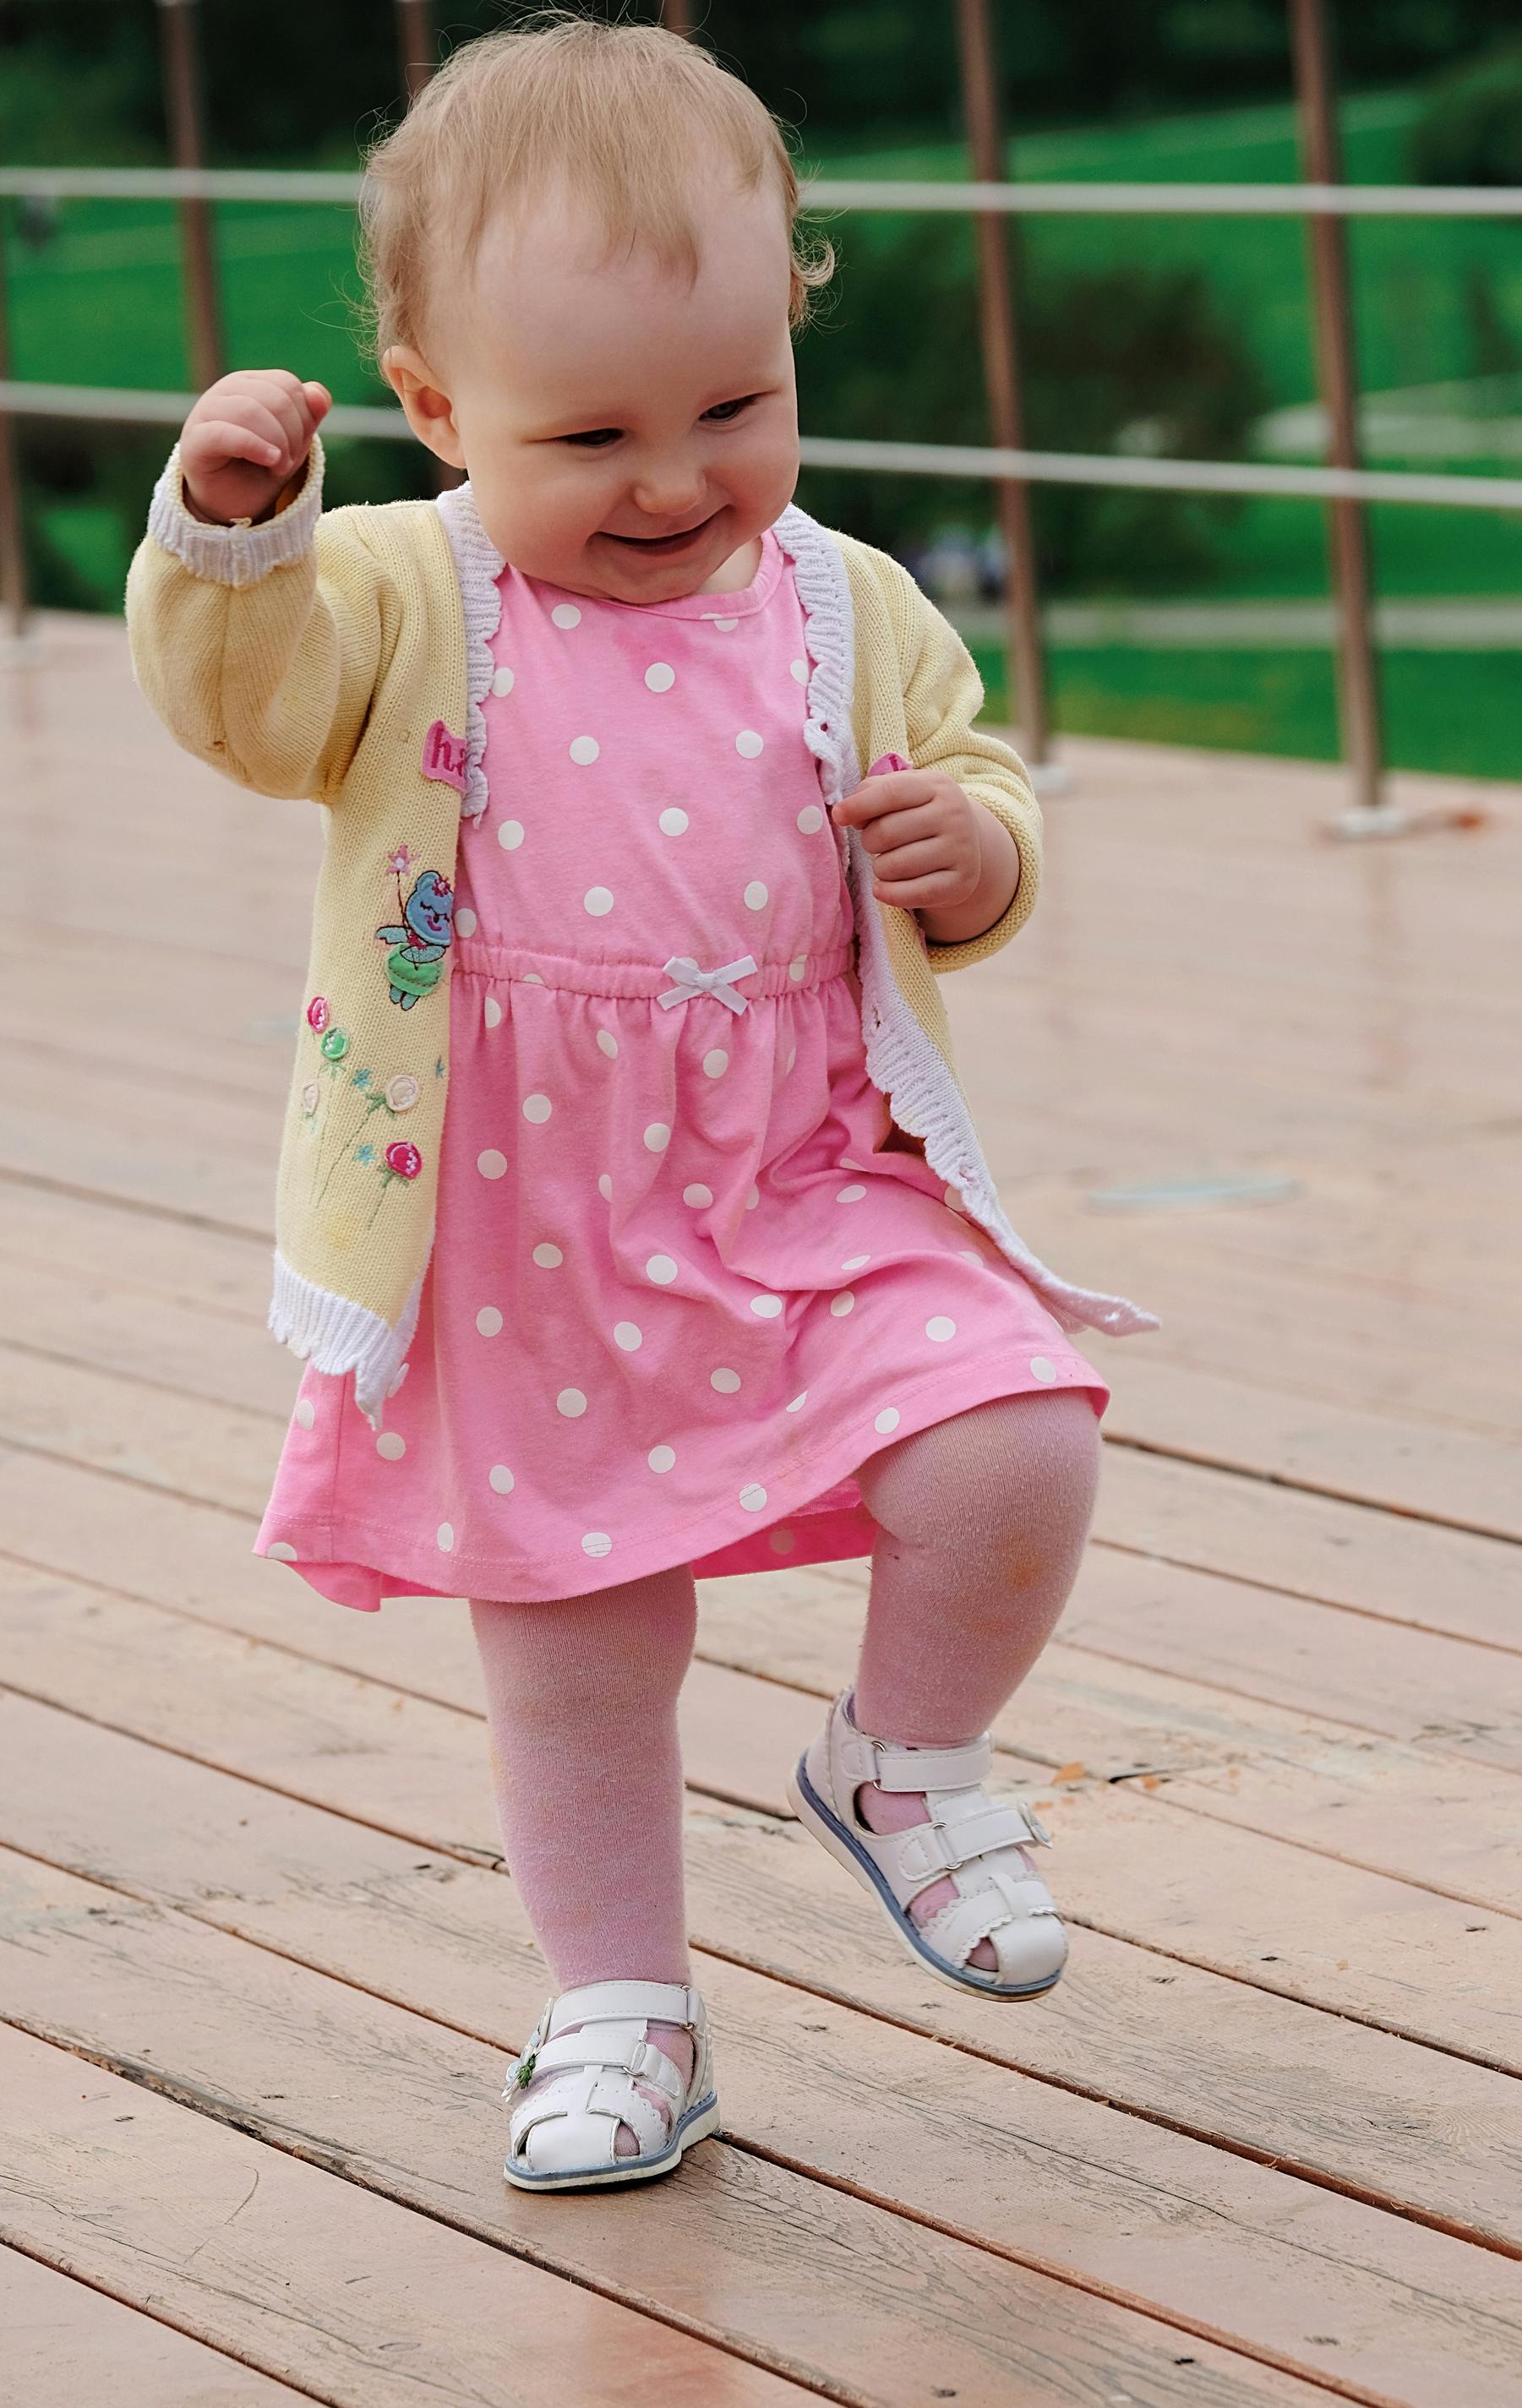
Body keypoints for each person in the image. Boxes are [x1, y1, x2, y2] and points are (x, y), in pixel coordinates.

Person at [126, 14, 1153, 2195]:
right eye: (590, 435)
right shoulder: (399, 591)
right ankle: (619, 2002)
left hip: (804, 1166)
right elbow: (253, 708)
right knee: (580, 1638)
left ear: (789, 337)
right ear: (436, 409)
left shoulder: (845, 603)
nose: (674, 482)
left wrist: (977, 851)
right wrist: (232, 534)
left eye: (734, 410)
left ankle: (903, 1755)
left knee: (1014, 1433)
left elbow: (970, 767)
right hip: (528, 1214)